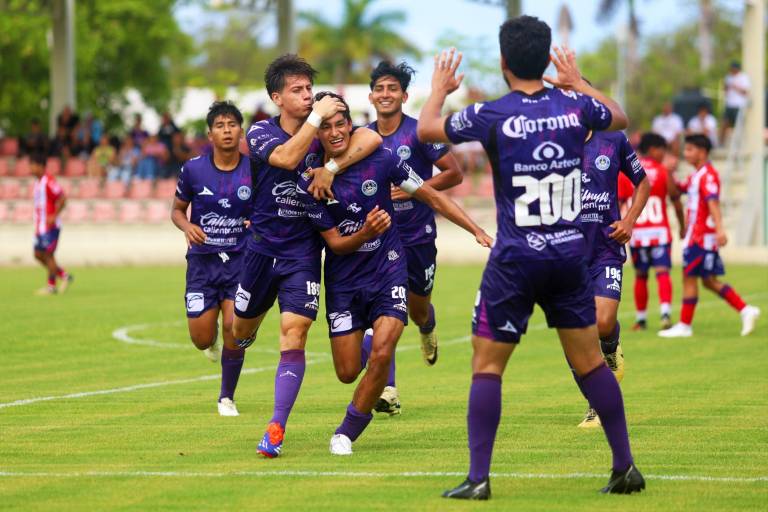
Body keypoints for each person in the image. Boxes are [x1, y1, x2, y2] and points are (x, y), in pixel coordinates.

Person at [417, 16, 645, 499]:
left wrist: (439, 88)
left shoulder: (493, 113)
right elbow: (620, 119)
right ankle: (625, 466)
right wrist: (578, 80)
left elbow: (426, 131)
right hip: (569, 255)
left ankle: (479, 478)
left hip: (517, 258)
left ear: (502, 61)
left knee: (487, 366)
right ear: (547, 60)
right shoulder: (575, 108)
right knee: (590, 364)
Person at [298, 91, 492, 456]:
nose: (336, 131)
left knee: (385, 351)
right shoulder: (312, 181)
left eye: (342, 123)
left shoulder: (382, 159)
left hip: (388, 268)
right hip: (343, 281)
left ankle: (346, 431)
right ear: (317, 133)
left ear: (351, 125)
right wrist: (366, 232)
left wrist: (476, 229)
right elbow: (336, 245)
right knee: (346, 370)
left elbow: (432, 196)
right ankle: (367, 340)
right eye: (327, 126)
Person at [232, 54, 382, 459]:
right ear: (276, 97)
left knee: (294, 333)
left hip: (302, 254)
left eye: (308, 89)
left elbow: (371, 138)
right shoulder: (261, 132)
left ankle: (276, 427)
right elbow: (286, 159)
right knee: (239, 331)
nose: (306, 95)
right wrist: (315, 121)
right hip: (261, 251)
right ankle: (373, 352)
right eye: (296, 90)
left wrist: (332, 166)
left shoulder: (324, 133)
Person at [365, 60, 465, 414]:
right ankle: (388, 389)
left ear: (404, 96)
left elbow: (455, 173)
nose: (386, 94)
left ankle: (428, 324)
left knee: (417, 308)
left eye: (393, 88)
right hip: (377, 239)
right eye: (380, 88)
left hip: (417, 235)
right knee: (383, 313)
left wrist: (413, 190)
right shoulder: (362, 137)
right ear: (371, 96)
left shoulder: (420, 134)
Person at [171, 101, 254, 416]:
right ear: (210, 134)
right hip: (202, 265)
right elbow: (177, 211)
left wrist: (256, 223)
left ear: (241, 131)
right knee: (201, 337)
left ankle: (226, 397)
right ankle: (212, 341)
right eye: (220, 126)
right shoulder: (193, 168)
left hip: (240, 262)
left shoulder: (254, 169)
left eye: (232, 124)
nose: (227, 130)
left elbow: (265, 210)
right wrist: (187, 226)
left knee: (235, 325)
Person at [576, 130, 650, 428]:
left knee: (603, 322)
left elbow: (642, 182)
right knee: (577, 333)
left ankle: (611, 345)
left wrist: (630, 219)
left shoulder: (613, 140)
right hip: (567, 253)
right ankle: (596, 403)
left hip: (606, 248)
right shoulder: (550, 140)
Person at [659, 135, 760, 338]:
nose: (686, 154)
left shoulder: (708, 175)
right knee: (708, 281)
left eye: (689, 150)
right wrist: (668, 172)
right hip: (697, 237)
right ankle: (746, 310)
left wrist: (720, 229)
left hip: (701, 237)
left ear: (702, 152)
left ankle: (685, 325)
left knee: (689, 277)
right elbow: (677, 189)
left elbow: (713, 203)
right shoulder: (697, 175)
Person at [619, 133, 685, 331]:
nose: (663, 154)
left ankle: (641, 319)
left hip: (637, 232)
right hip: (659, 232)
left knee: (641, 275)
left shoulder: (626, 173)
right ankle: (665, 313)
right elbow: (675, 200)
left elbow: (620, 202)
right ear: (653, 149)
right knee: (662, 272)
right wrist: (682, 225)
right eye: (661, 150)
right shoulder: (663, 171)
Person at [30, 153, 73, 295]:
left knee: (49, 255)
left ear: (41, 166)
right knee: (38, 254)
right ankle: (64, 276)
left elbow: (62, 198)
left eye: (33, 165)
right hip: (39, 226)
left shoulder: (48, 181)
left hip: (50, 226)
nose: (30, 168)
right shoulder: (37, 182)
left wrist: (54, 215)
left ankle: (51, 286)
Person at [721, 61, 750, 144]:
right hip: (729, 104)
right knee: (724, 123)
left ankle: (741, 143)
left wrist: (735, 87)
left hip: (739, 105)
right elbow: (725, 90)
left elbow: (746, 92)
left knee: (739, 125)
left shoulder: (743, 77)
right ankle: (721, 143)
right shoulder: (728, 77)